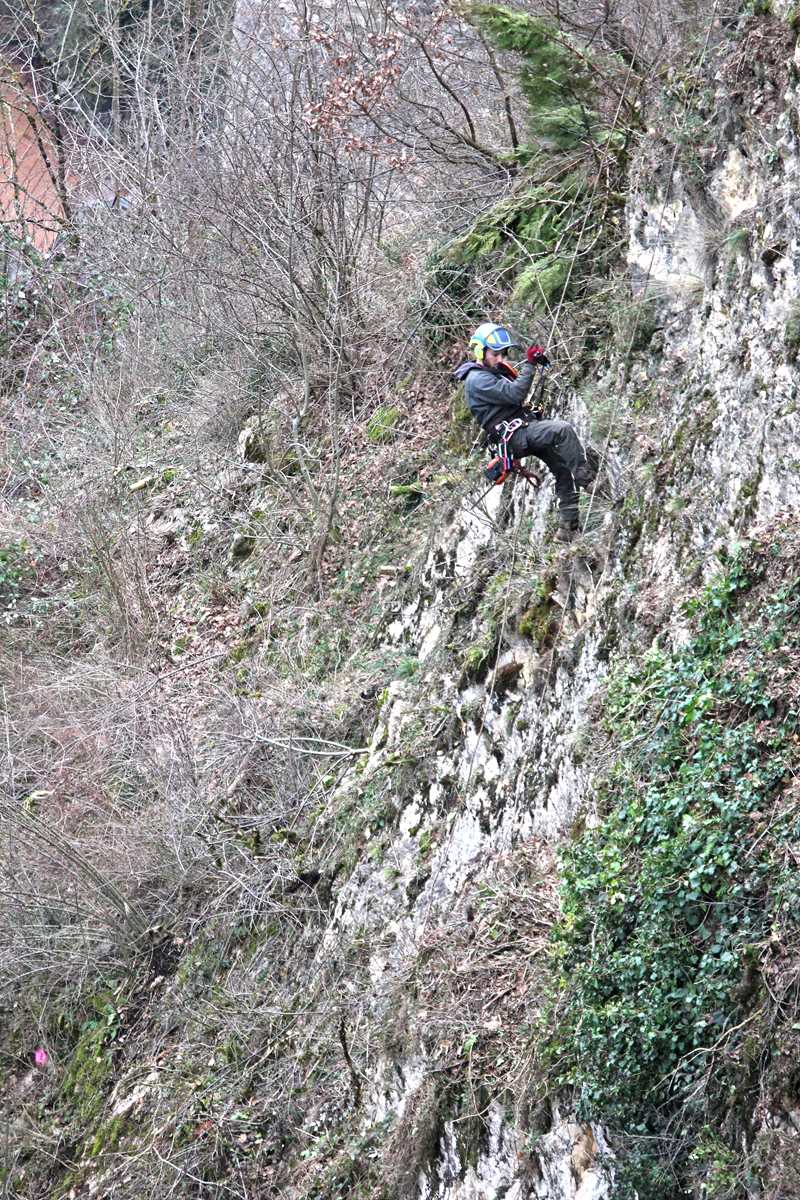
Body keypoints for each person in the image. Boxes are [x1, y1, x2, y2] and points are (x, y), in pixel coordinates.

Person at [453, 322, 597, 541]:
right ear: (480, 352)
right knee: (563, 430)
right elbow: (515, 394)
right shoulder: (477, 380)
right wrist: (530, 365)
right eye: (495, 354)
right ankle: (589, 482)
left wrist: (535, 363)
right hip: (515, 437)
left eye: (503, 354)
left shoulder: (494, 372)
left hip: (522, 429)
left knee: (562, 469)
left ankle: (567, 528)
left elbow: (514, 398)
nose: (500, 359)